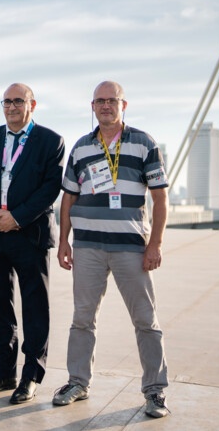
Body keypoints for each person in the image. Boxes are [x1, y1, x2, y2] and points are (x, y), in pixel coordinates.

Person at [53, 81, 170, 419]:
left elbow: (160, 198)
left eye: (112, 100)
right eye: (100, 101)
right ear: (93, 106)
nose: (106, 106)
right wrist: (64, 241)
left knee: (146, 320)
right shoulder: (81, 148)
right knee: (82, 319)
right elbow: (69, 198)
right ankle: (78, 382)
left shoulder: (144, 143)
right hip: (87, 245)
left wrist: (155, 245)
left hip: (130, 248)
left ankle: (155, 391)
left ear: (123, 105)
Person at [0, 83, 65, 404]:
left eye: (17, 101)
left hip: (30, 235)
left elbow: (50, 188)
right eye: (6, 101)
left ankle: (30, 376)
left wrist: (17, 217)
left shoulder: (51, 141)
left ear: (32, 105)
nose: (11, 106)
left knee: (35, 307)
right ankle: (2, 374)